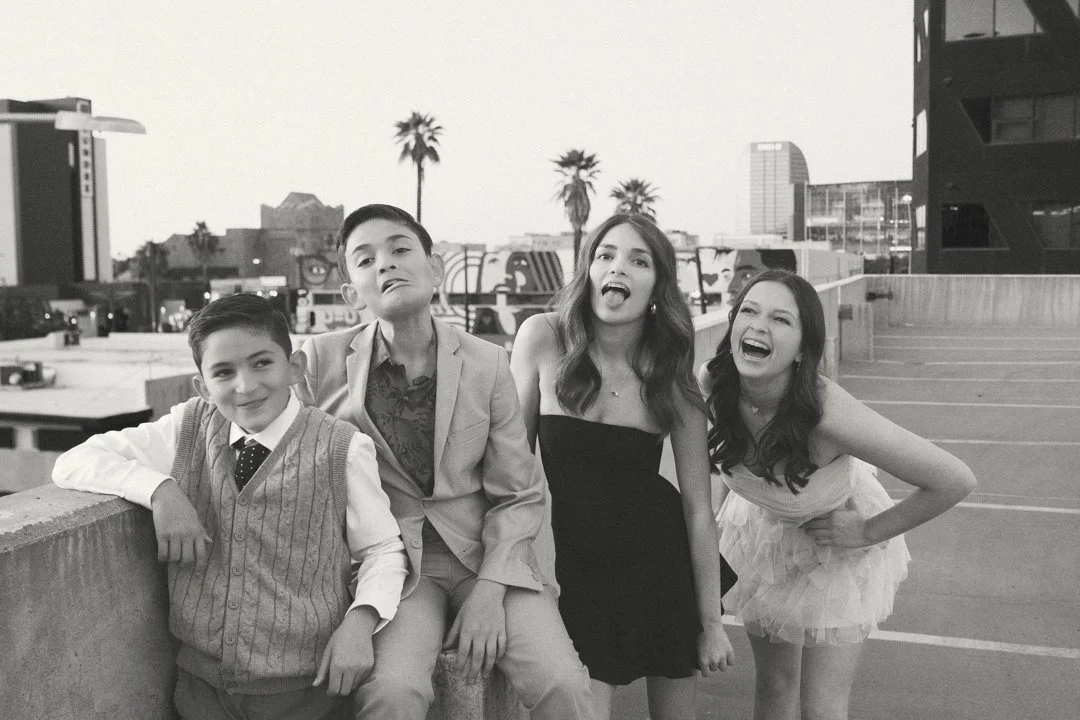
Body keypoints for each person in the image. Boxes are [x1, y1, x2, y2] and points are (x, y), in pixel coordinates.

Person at [297, 204, 597, 720]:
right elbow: (242, 423)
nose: (385, 264)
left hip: (487, 555)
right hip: (395, 569)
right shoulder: (321, 360)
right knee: (393, 694)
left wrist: (488, 592)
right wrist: (157, 487)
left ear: (434, 270)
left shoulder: (487, 362)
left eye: (399, 249)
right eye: (365, 259)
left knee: (564, 685)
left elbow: (520, 493)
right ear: (352, 294)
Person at [52, 293, 408, 720]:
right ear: (202, 385)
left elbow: (383, 551)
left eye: (262, 363)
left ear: (294, 367)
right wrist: (160, 490)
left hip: (305, 693)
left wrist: (360, 623)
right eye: (224, 372)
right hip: (201, 691)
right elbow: (74, 461)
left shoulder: (342, 448)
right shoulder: (187, 427)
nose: (245, 385)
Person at [701, 269, 977, 720]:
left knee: (822, 707)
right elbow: (710, 472)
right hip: (762, 535)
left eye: (780, 319)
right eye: (748, 311)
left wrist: (866, 531)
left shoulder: (828, 415)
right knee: (773, 685)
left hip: (837, 545)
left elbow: (955, 479)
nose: (757, 326)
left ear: (802, 350)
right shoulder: (716, 383)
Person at [511, 213, 735, 720]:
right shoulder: (542, 337)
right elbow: (510, 470)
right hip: (570, 567)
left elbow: (699, 509)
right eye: (606, 255)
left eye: (640, 261)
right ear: (588, 270)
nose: (619, 268)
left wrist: (712, 621)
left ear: (657, 287)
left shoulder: (672, 379)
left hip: (657, 563)